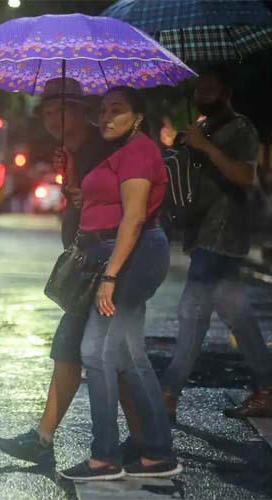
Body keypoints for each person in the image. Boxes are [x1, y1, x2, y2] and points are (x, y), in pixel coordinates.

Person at [0, 78, 142, 465]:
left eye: (60, 111)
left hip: (105, 261)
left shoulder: (103, 146)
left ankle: (61, 442)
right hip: (89, 258)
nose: (51, 119)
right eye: (45, 113)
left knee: (84, 349)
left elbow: (119, 205)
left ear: (80, 110)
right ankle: (144, 438)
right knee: (99, 353)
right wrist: (70, 178)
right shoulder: (74, 150)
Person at [59, 86, 181, 480]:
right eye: (103, 110)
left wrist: (110, 275)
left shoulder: (140, 151)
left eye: (118, 110)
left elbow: (132, 219)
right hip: (117, 253)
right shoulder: (112, 151)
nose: (107, 117)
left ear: (138, 117)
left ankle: (105, 457)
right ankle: (157, 452)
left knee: (95, 350)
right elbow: (97, 202)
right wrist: (74, 175)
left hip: (134, 254)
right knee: (128, 353)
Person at [161, 67, 272, 420]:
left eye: (210, 88)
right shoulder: (203, 128)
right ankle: (269, 389)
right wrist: (187, 147)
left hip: (222, 233)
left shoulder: (241, 128)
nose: (202, 93)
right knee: (237, 314)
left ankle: (167, 394)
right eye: (199, 88)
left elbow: (244, 176)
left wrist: (205, 147)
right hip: (204, 234)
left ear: (226, 91)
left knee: (191, 314)